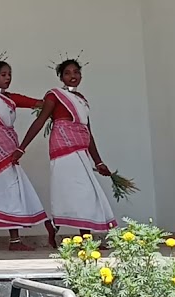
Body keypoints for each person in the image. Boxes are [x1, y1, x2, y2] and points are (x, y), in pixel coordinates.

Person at [17, 59, 117, 246]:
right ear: (61, 77)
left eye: (76, 72)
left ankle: (79, 236)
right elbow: (40, 121)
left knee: (84, 193)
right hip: (64, 150)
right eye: (68, 73)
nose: (73, 76)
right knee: (74, 192)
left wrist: (98, 161)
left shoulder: (82, 100)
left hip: (81, 150)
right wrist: (21, 148)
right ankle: (61, 230)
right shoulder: (55, 96)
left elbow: (88, 132)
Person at [0, 60, 48, 252]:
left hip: (9, 152)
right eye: (4, 75)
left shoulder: (11, 99)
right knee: (6, 194)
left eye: (9, 74)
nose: (8, 78)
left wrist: (54, 101)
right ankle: (12, 240)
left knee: (6, 195)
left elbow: (37, 103)